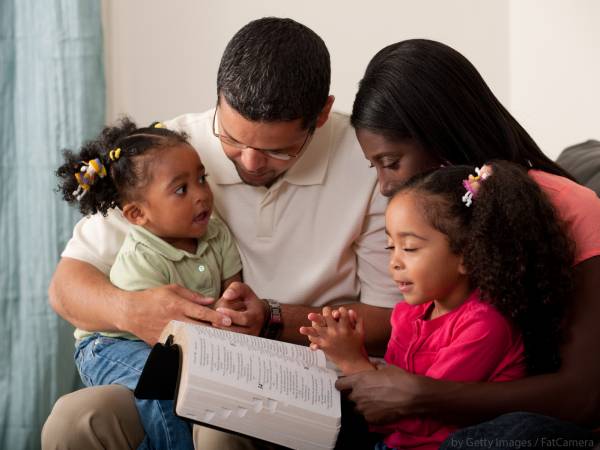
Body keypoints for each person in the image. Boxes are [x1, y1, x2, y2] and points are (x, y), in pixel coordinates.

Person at [42, 17, 398, 450]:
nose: (249, 162)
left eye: (276, 150)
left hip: (303, 378)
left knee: (218, 428)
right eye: (231, 138)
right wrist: (131, 310)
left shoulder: (365, 162)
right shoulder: (171, 153)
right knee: (76, 420)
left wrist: (272, 319)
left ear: (321, 114)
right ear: (218, 99)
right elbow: (67, 288)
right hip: (187, 367)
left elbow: (389, 323)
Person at [338, 39, 600, 447]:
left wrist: (418, 396)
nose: (385, 186)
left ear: (442, 138)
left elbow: (583, 397)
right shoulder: (425, 227)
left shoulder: (572, 208)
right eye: (375, 167)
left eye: (391, 163)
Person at [302, 161, 577, 449]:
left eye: (409, 248)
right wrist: (352, 347)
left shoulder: (484, 325)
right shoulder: (409, 312)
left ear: (467, 255)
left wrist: (352, 362)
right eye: (390, 247)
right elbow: (391, 390)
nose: (394, 262)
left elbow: (414, 414)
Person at [55, 118, 243, 450]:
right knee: (159, 388)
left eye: (202, 179)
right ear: (138, 215)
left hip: (164, 345)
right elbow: (163, 332)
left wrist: (232, 306)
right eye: (182, 189)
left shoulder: (216, 234)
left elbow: (233, 291)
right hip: (109, 346)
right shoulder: (140, 259)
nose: (201, 195)